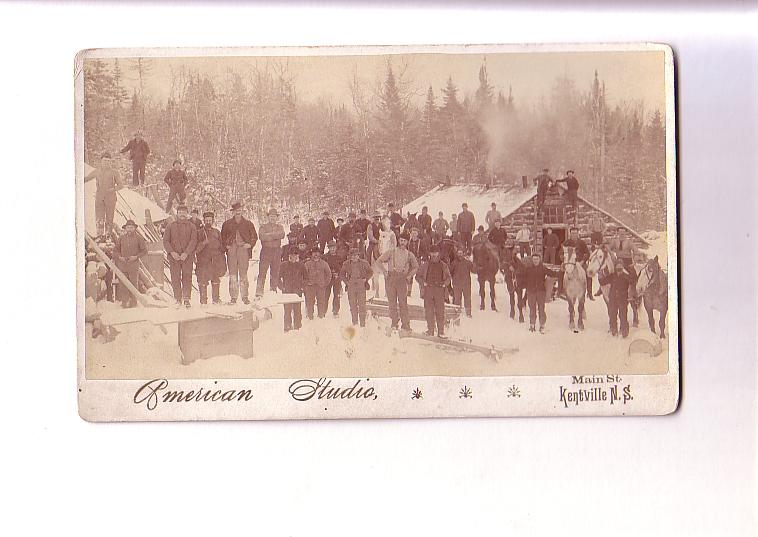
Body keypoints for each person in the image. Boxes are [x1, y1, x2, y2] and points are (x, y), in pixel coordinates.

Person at [373, 232, 419, 331]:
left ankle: (405, 324)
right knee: (392, 303)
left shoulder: (409, 254)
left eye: (405, 241)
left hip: (402, 280)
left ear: (407, 242)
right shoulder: (391, 252)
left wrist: (409, 276)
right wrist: (384, 272)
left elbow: (416, 267)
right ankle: (394, 322)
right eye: (401, 240)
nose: (402, 242)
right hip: (391, 279)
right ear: (399, 240)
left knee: (403, 303)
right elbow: (378, 261)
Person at [220, 201, 258, 305]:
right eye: (236, 210)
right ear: (233, 212)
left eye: (239, 210)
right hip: (231, 250)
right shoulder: (227, 224)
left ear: (242, 211)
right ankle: (233, 297)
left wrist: (250, 244)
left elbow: (254, 236)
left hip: (243, 250)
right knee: (232, 275)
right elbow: (222, 237)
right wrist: (226, 246)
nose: (238, 212)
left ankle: (245, 296)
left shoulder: (248, 223)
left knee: (243, 275)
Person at [163, 205, 198, 307]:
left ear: (187, 214)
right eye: (180, 212)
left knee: (187, 277)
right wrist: (172, 252)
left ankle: (186, 298)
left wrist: (186, 253)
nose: (182, 214)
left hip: (187, 257)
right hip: (174, 258)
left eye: (184, 212)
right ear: (177, 213)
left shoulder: (192, 226)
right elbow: (165, 241)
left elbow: (193, 241)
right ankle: (178, 299)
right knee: (175, 277)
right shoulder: (170, 226)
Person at [416, 244, 452, 337]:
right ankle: (430, 331)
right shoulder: (425, 265)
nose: (434, 254)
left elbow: (448, 277)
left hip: (439, 291)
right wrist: (423, 283)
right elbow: (418, 276)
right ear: (429, 253)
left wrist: (445, 284)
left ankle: (441, 332)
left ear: (438, 253)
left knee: (440, 312)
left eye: (435, 252)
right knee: (429, 312)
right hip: (428, 290)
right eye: (432, 253)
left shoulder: (443, 265)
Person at [85, 153, 123, 236]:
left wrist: (112, 189)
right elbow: (86, 179)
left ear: (110, 162)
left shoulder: (115, 172)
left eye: (108, 161)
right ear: (101, 161)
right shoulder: (97, 171)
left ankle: (108, 236)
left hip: (110, 198)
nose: (106, 162)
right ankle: (100, 236)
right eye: (105, 160)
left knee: (109, 218)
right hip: (99, 198)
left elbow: (121, 185)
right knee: (99, 218)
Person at [113, 219, 147, 308]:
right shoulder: (121, 238)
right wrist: (120, 257)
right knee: (123, 283)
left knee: (133, 283)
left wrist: (135, 257)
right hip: (123, 264)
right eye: (128, 227)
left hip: (134, 264)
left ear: (135, 228)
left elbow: (144, 251)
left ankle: (134, 302)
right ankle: (125, 302)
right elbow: (115, 251)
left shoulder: (139, 238)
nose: (130, 229)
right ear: (125, 228)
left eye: (131, 227)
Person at [524, 253, 561, 333]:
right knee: (532, 309)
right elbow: (522, 277)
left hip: (541, 292)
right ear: (532, 260)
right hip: (531, 292)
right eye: (534, 259)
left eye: (537, 259)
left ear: (539, 260)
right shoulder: (528, 269)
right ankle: (532, 325)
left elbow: (552, 273)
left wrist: (560, 272)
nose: (535, 261)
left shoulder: (543, 268)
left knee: (541, 309)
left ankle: (542, 325)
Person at [195, 211, 225, 305]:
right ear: (204, 221)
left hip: (215, 260)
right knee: (202, 280)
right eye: (206, 220)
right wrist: (203, 243)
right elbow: (195, 249)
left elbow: (222, 246)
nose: (208, 222)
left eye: (210, 220)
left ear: (213, 221)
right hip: (203, 261)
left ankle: (216, 299)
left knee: (215, 279)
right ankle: (203, 301)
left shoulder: (217, 232)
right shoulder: (199, 233)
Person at [340, 247, 374, 326]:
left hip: (361, 284)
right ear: (350, 256)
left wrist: (365, 279)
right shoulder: (346, 264)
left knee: (362, 304)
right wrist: (347, 282)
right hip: (351, 284)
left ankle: (362, 323)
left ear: (358, 255)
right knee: (352, 304)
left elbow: (370, 272)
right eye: (352, 255)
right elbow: (342, 274)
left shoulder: (364, 263)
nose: (354, 257)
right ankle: (354, 322)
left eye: (356, 255)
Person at [256, 207, 285, 297]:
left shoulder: (280, 227)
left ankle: (273, 291)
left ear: (277, 218)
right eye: (271, 216)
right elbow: (262, 237)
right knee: (262, 272)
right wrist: (274, 236)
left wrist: (269, 235)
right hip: (266, 251)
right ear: (268, 217)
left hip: (276, 251)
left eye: (274, 216)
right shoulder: (263, 226)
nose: (273, 218)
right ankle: (259, 292)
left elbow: (282, 234)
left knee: (275, 272)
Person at [599, 260, 632, 337]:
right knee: (613, 315)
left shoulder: (626, 277)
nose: (619, 270)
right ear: (615, 267)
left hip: (622, 299)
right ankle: (614, 330)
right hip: (613, 299)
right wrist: (600, 275)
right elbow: (602, 282)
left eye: (620, 268)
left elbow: (631, 285)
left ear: (622, 268)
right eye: (617, 268)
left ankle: (624, 331)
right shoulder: (612, 276)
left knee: (623, 315)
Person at [562, 226, 592, 300]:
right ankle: (561, 291)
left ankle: (589, 292)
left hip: (580, 262)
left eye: (575, 233)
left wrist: (582, 261)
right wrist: (564, 261)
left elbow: (587, 253)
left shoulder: (582, 242)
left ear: (578, 234)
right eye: (572, 233)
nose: (574, 235)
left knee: (588, 273)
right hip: (569, 263)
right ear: (570, 234)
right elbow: (561, 253)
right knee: (561, 272)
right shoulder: (566, 243)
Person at [278, 251, 306, 332]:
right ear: (289, 256)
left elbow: (306, 278)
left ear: (297, 256)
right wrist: (282, 287)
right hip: (287, 291)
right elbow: (278, 277)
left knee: (297, 310)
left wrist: (302, 287)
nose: (293, 258)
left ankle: (297, 326)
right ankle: (287, 327)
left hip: (297, 292)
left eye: (295, 256)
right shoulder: (283, 265)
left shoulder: (301, 265)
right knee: (287, 310)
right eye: (291, 256)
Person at [303, 249, 332, 319]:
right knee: (310, 301)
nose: (315, 255)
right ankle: (310, 316)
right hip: (310, 286)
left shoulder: (324, 263)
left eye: (317, 253)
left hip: (321, 286)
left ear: (319, 254)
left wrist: (325, 283)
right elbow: (303, 274)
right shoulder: (307, 264)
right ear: (311, 254)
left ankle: (321, 316)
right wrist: (306, 283)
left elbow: (329, 274)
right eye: (314, 253)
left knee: (321, 301)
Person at [323, 241, 346, 317]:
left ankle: (335, 311)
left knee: (337, 295)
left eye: (334, 247)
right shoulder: (325, 257)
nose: (332, 249)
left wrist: (338, 274)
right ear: (328, 248)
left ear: (336, 248)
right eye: (331, 247)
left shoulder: (339, 257)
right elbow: (323, 269)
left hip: (337, 279)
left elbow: (342, 268)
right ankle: (323, 311)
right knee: (326, 295)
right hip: (328, 279)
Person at [450, 247, 474, 318]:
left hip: (466, 284)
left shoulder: (467, 262)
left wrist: (475, 264)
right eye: (458, 253)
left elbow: (474, 270)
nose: (460, 255)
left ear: (463, 254)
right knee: (457, 299)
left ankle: (468, 313)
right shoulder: (453, 263)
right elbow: (450, 272)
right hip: (457, 285)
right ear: (457, 254)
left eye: (461, 253)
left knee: (467, 298)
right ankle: (456, 313)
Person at [406, 228, 429, 297]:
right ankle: (408, 292)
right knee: (409, 276)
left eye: (415, 233)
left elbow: (425, 252)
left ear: (417, 234)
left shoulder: (421, 242)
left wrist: (423, 259)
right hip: (410, 261)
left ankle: (422, 294)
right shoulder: (408, 242)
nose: (413, 235)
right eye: (412, 233)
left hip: (418, 260)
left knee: (420, 277)